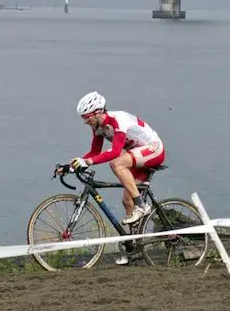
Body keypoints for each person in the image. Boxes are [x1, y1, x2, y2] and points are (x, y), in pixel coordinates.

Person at [67, 91, 165, 227]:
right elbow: (94, 152)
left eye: (87, 118)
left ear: (98, 112)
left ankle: (142, 206)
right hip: (137, 157)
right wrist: (70, 166)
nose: (85, 122)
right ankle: (136, 241)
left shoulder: (118, 119)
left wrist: (88, 162)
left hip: (154, 149)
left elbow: (115, 152)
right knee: (127, 201)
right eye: (83, 118)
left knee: (116, 163)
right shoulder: (98, 128)